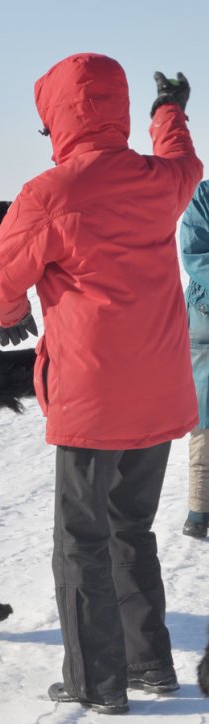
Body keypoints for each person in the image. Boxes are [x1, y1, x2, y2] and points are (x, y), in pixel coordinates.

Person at [0, 53, 202, 714]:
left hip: (92, 401)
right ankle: (151, 666)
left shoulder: (50, 193)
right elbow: (187, 163)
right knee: (131, 530)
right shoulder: (158, 181)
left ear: (57, 118)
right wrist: (171, 112)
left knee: (81, 542)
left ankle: (96, 684)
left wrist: (11, 314)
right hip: (158, 394)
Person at [181, 181, 209, 539]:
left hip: (203, 311)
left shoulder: (203, 195)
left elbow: (193, 252)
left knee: (205, 418)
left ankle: (198, 512)